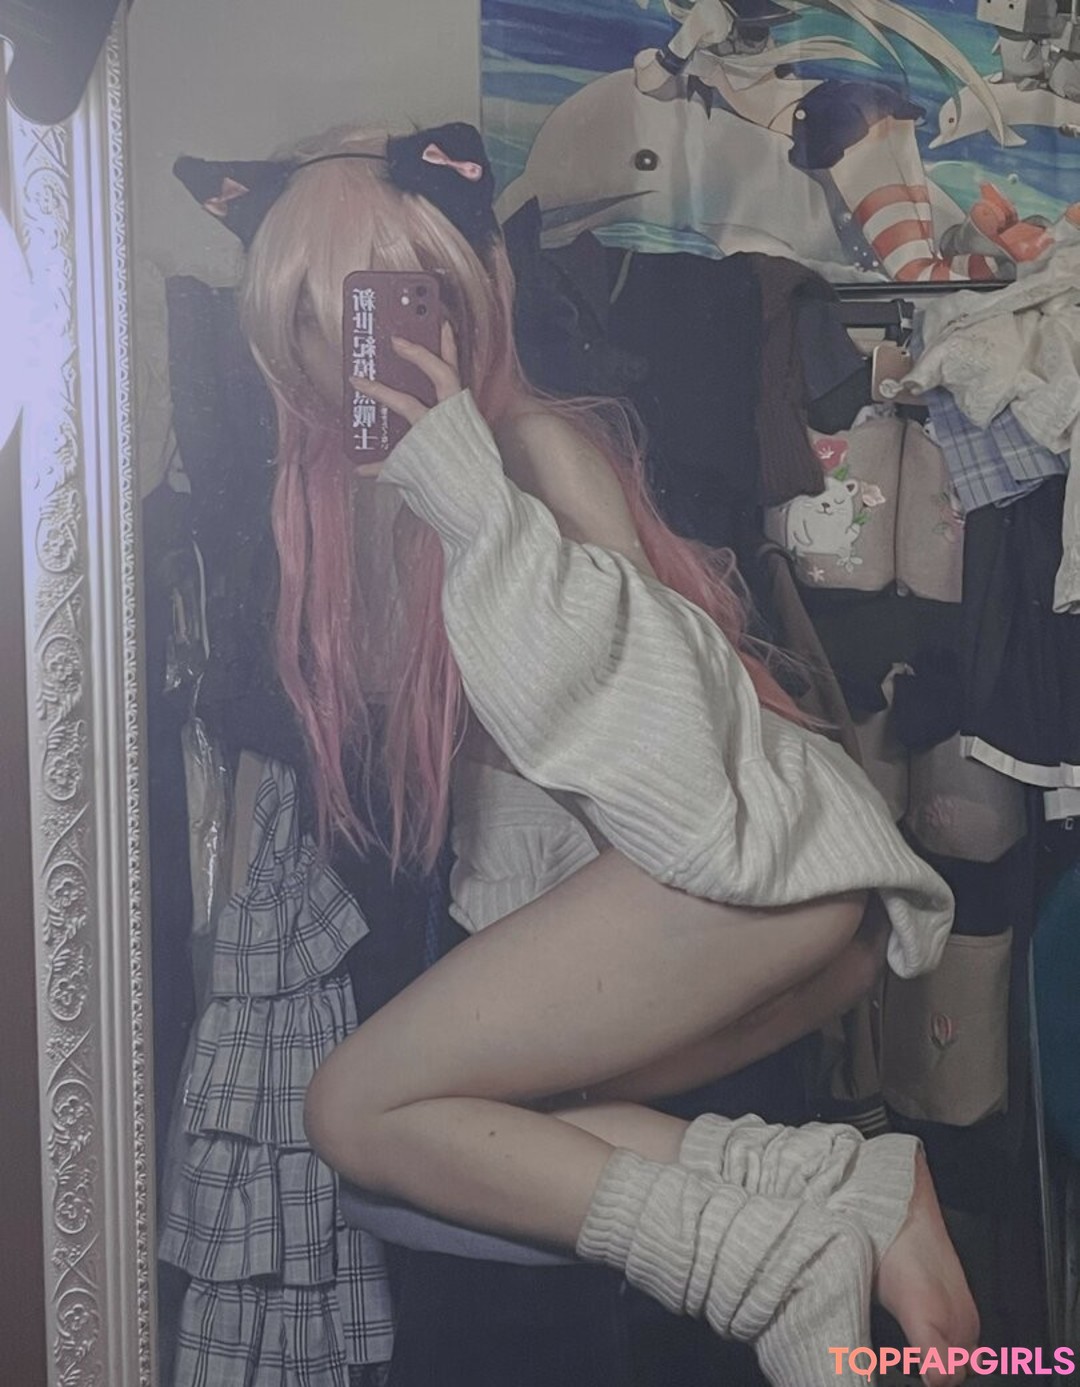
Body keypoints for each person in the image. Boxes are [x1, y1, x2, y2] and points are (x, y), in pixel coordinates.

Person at [219, 121, 977, 1385]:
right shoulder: (396, 501)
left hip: (746, 867)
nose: (328, 348)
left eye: (369, 307)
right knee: (493, 1121)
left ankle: (777, 1265)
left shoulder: (527, 457)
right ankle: (843, 1190)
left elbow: (661, 744)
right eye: (302, 314)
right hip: (702, 887)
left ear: (460, 296)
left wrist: (474, 501)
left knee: (353, 1104)